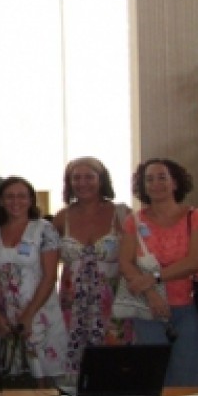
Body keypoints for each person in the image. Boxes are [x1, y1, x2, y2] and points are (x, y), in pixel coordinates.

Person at [118, 158, 198, 386]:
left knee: (189, 375)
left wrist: (154, 278)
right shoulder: (134, 221)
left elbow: (197, 260)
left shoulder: (195, 216)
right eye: (149, 179)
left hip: (190, 307)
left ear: (175, 182)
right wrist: (151, 291)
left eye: (162, 177)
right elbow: (126, 262)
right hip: (149, 308)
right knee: (153, 375)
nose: (156, 183)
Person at [51, 157, 132, 373]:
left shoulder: (122, 214)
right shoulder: (61, 218)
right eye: (76, 178)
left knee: (114, 367)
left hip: (113, 305)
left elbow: (137, 257)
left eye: (89, 176)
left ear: (101, 180)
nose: (82, 182)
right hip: (72, 307)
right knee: (75, 371)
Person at [0, 177, 67, 386]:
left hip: (38, 314)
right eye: (9, 196)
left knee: (43, 382)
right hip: (4, 317)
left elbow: (50, 277)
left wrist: (28, 316)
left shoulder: (44, 229)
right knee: (11, 383)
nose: (15, 201)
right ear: (0, 201)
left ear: (31, 200)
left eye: (21, 196)